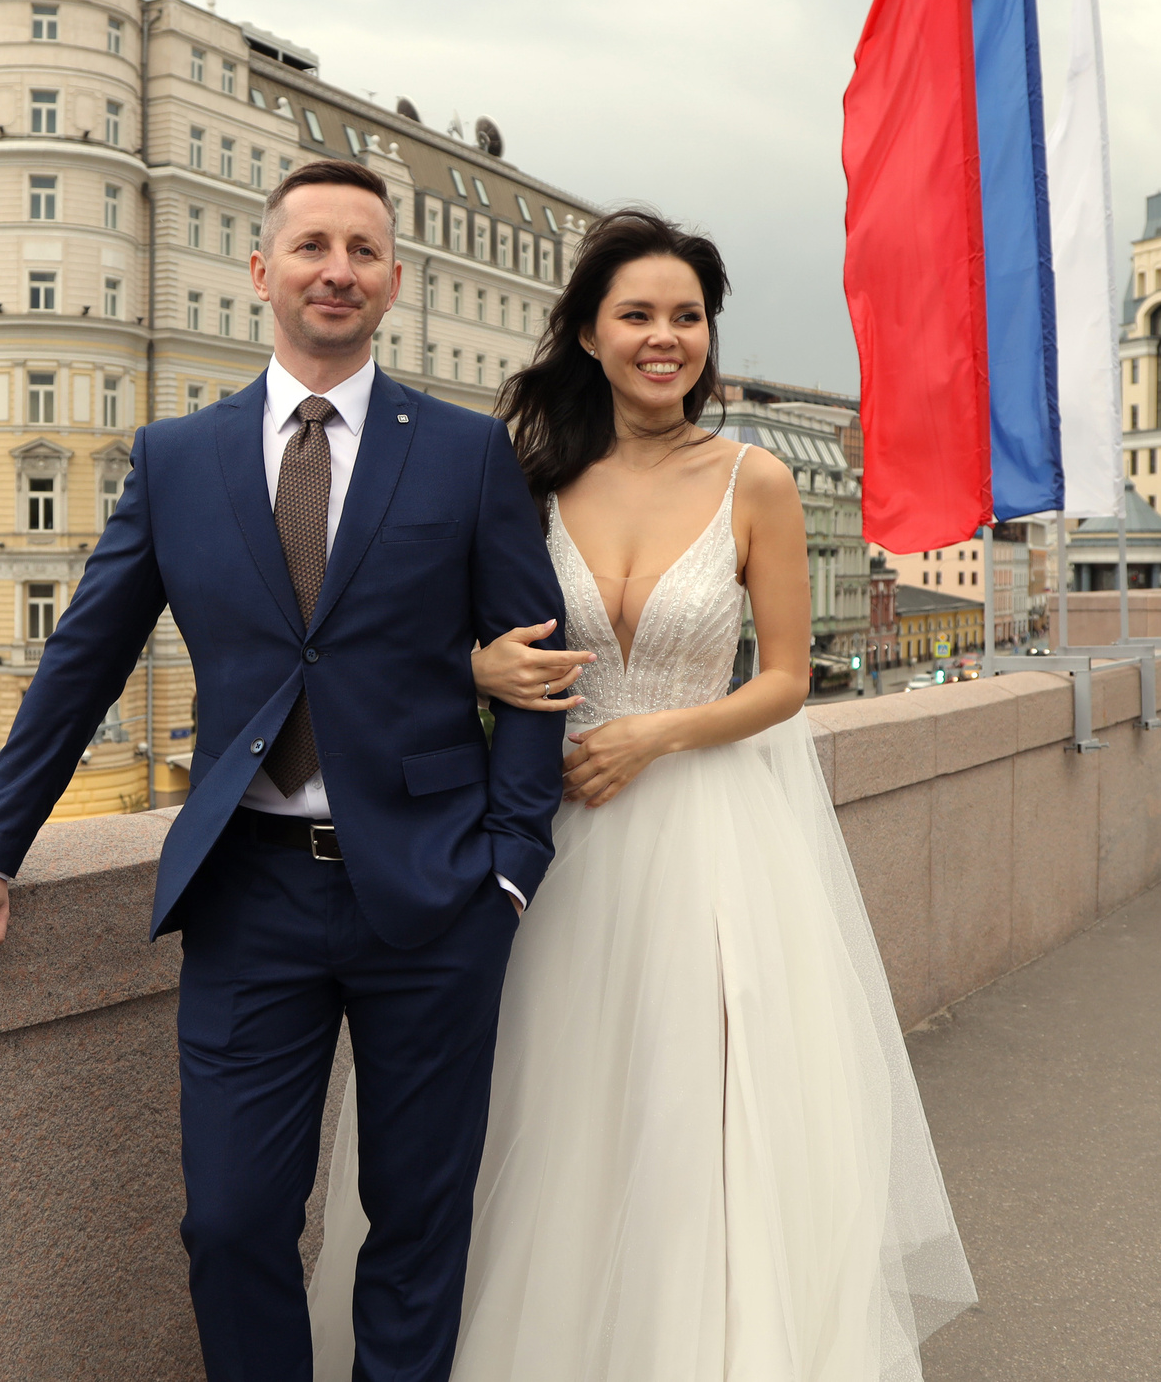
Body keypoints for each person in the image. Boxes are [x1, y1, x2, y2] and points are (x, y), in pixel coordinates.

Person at [0, 159, 567, 1381]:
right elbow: (84, 658)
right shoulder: (178, 458)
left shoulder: (466, 455)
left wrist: (512, 865)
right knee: (228, 1222)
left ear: (394, 282)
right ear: (262, 272)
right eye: (311, 246)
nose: (337, 270)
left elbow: (538, 665)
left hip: (435, 894)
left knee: (417, 1220)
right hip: (249, 893)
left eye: (362, 251)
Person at [309, 211, 975, 1380]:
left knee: (691, 1109)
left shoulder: (756, 480)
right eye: (637, 315)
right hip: (544, 830)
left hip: (707, 833)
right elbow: (423, 636)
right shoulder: (523, 478)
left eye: (687, 317)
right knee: (542, 1103)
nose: (665, 337)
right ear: (588, 332)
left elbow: (783, 679)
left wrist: (654, 735)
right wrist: (477, 668)